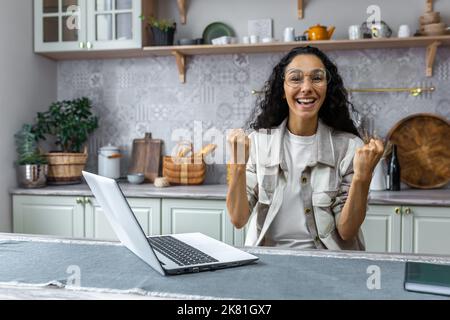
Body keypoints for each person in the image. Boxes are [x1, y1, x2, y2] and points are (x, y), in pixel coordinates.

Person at [226, 46, 384, 250]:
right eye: (295, 78)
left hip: (327, 263)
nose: (307, 87)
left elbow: (347, 231)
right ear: (282, 90)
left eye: (317, 78)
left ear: (327, 88)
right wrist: (237, 165)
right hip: (268, 260)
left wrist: (363, 177)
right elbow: (238, 220)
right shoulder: (258, 142)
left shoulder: (349, 147)